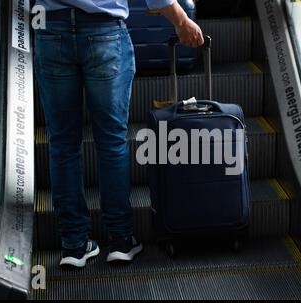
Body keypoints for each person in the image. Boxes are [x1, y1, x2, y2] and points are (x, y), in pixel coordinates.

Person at [34, 0, 204, 268]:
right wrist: (182, 22)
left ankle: (73, 244)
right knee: (112, 142)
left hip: (49, 28)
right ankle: (120, 240)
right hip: (104, 31)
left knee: (63, 144)